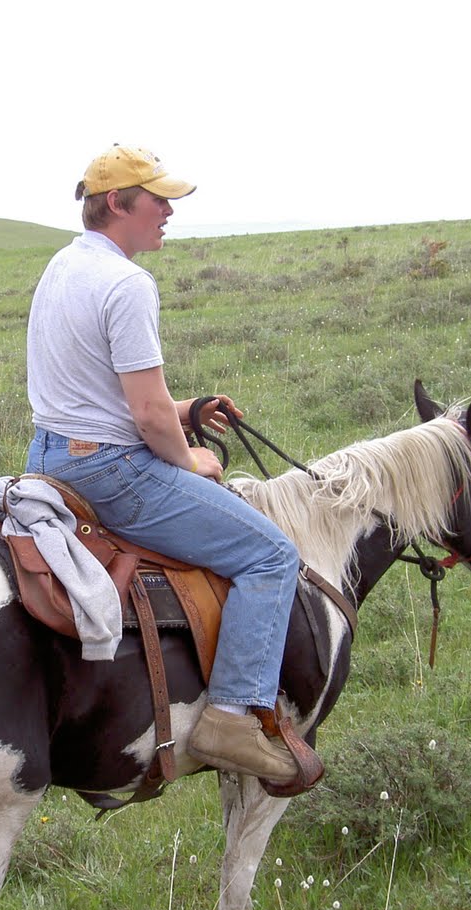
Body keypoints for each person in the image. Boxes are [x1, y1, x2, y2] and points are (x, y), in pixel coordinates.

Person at [24, 144, 306, 788]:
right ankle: (232, 718)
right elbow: (147, 421)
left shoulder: (63, 266)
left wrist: (187, 409)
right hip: (114, 474)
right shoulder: (127, 284)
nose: (169, 210)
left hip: (52, 458)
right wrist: (191, 461)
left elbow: (103, 398)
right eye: (157, 199)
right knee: (272, 557)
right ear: (118, 204)